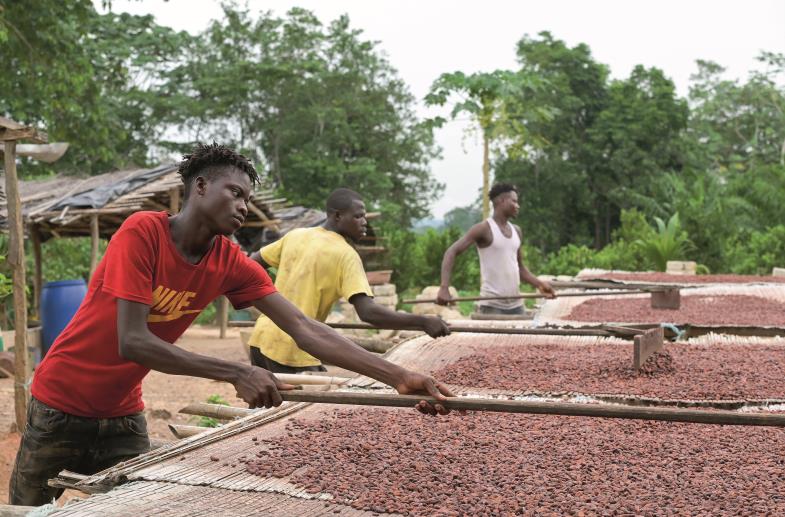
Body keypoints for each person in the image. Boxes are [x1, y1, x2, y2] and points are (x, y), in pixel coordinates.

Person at [10, 143, 453, 506]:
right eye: (235, 192)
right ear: (200, 186)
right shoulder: (142, 232)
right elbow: (133, 341)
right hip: (59, 406)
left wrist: (397, 376)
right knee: (29, 509)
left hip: (123, 416)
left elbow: (305, 328)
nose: (244, 205)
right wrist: (236, 371)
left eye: (247, 198)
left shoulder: (230, 262)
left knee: (133, 506)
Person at [247, 188, 450, 373]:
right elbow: (368, 312)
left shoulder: (296, 235)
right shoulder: (346, 254)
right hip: (291, 349)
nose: (364, 222)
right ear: (337, 216)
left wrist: (264, 296)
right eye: (358, 216)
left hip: (260, 338)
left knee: (266, 407)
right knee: (304, 409)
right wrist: (423, 321)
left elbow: (250, 264)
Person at [436, 183, 555, 314]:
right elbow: (451, 252)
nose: (518, 206)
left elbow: (520, 268)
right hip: (491, 305)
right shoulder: (483, 229)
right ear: (502, 201)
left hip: (517, 305)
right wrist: (444, 287)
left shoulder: (517, 231)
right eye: (514, 201)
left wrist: (540, 284)